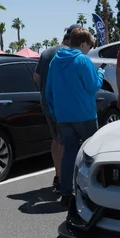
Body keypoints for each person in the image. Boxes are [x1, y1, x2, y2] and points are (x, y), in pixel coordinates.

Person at [45, 27, 105, 203]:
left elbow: (49, 90)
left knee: (69, 153)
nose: (89, 49)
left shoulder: (55, 61)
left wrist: (54, 112)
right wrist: (100, 73)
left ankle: (66, 192)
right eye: (90, 46)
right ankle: (96, 189)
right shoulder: (83, 61)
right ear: (84, 43)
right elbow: (93, 86)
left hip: (63, 116)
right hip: (84, 114)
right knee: (93, 153)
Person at [33, 24, 81, 190]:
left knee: (56, 140)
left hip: (46, 102)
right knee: (66, 142)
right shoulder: (71, 54)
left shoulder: (47, 52)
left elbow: (36, 77)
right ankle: (65, 180)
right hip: (65, 104)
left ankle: (58, 175)